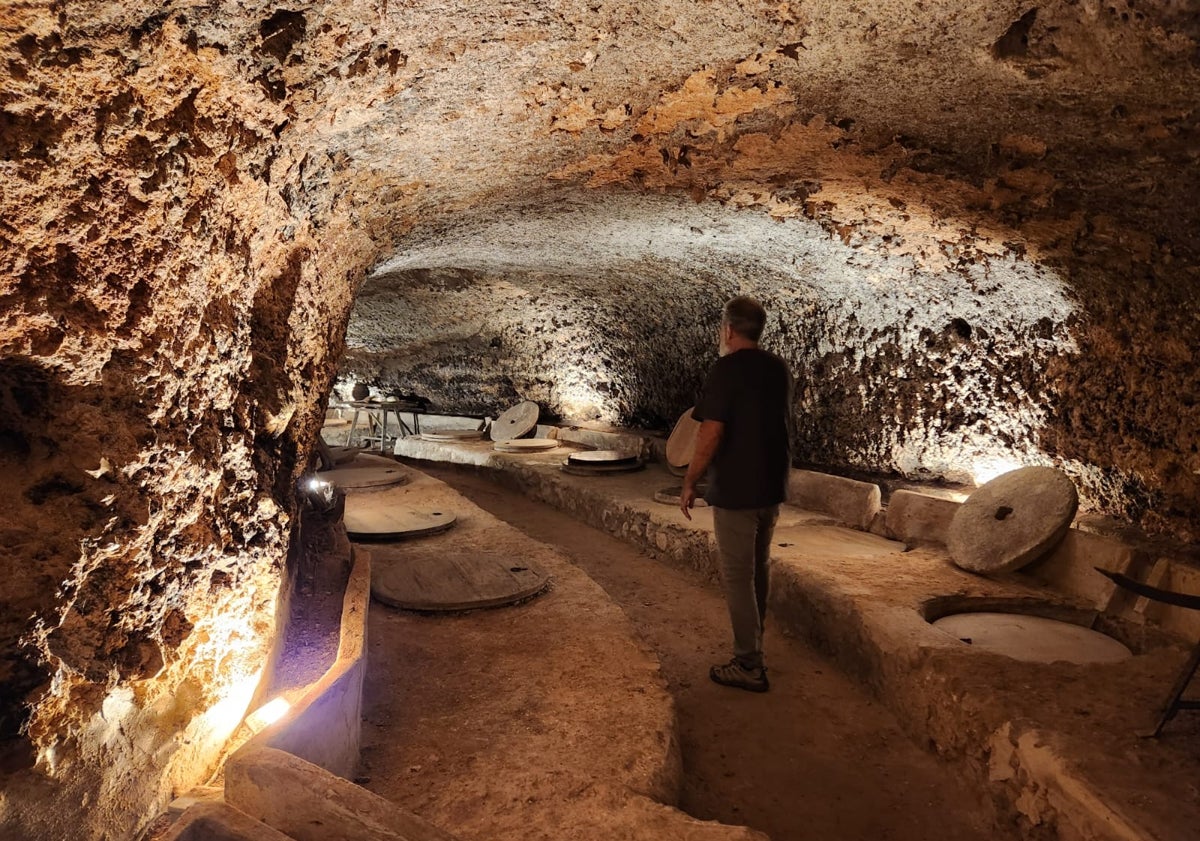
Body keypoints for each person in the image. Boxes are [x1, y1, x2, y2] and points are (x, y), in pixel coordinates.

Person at [681, 296, 792, 692]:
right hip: (770, 487)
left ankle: (748, 664)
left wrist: (691, 479)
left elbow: (711, 431)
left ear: (728, 330)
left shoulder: (726, 369)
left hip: (737, 489)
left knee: (737, 577)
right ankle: (755, 649)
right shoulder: (778, 368)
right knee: (757, 569)